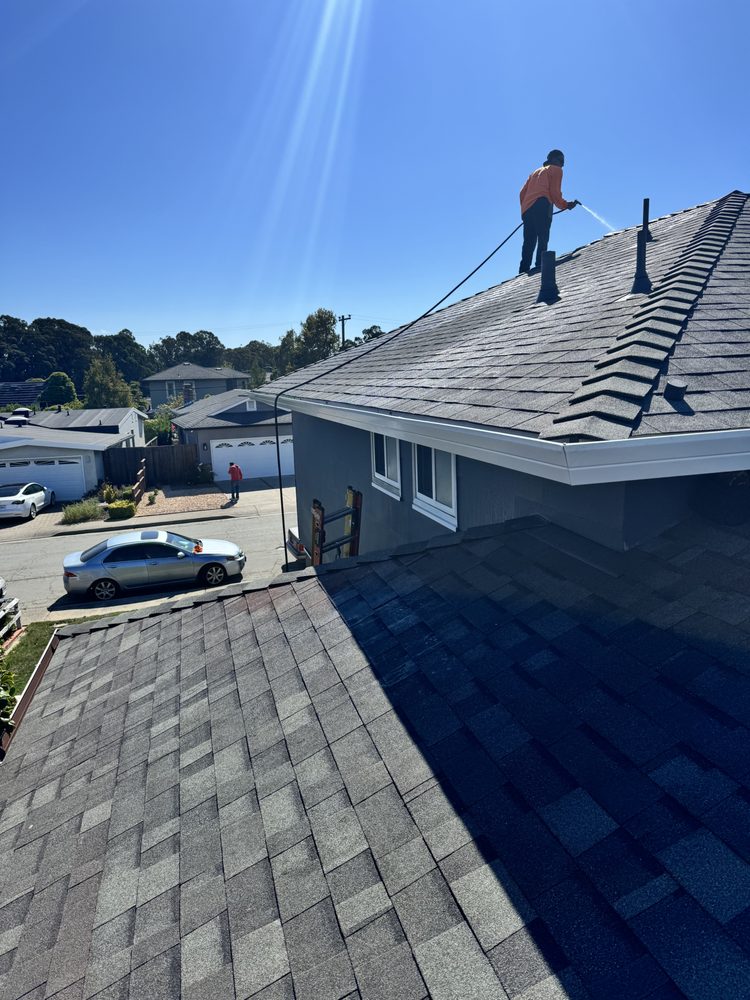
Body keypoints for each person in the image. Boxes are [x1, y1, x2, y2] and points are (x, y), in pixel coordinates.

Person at [518, 149, 578, 274]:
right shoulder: (556, 170)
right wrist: (565, 205)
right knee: (543, 236)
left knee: (529, 241)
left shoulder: (535, 172)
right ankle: (540, 266)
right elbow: (554, 192)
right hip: (542, 204)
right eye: (562, 161)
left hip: (527, 209)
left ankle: (523, 271)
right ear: (555, 159)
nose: (562, 165)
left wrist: (525, 210)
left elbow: (522, 193)